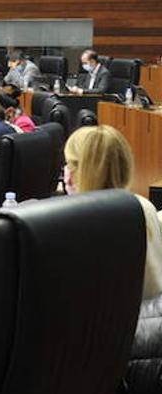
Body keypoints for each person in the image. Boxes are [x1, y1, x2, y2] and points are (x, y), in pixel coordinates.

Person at [63, 126, 162, 299]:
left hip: (125, 322)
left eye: (69, 164)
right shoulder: (143, 205)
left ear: (77, 172)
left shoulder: (79, 221)